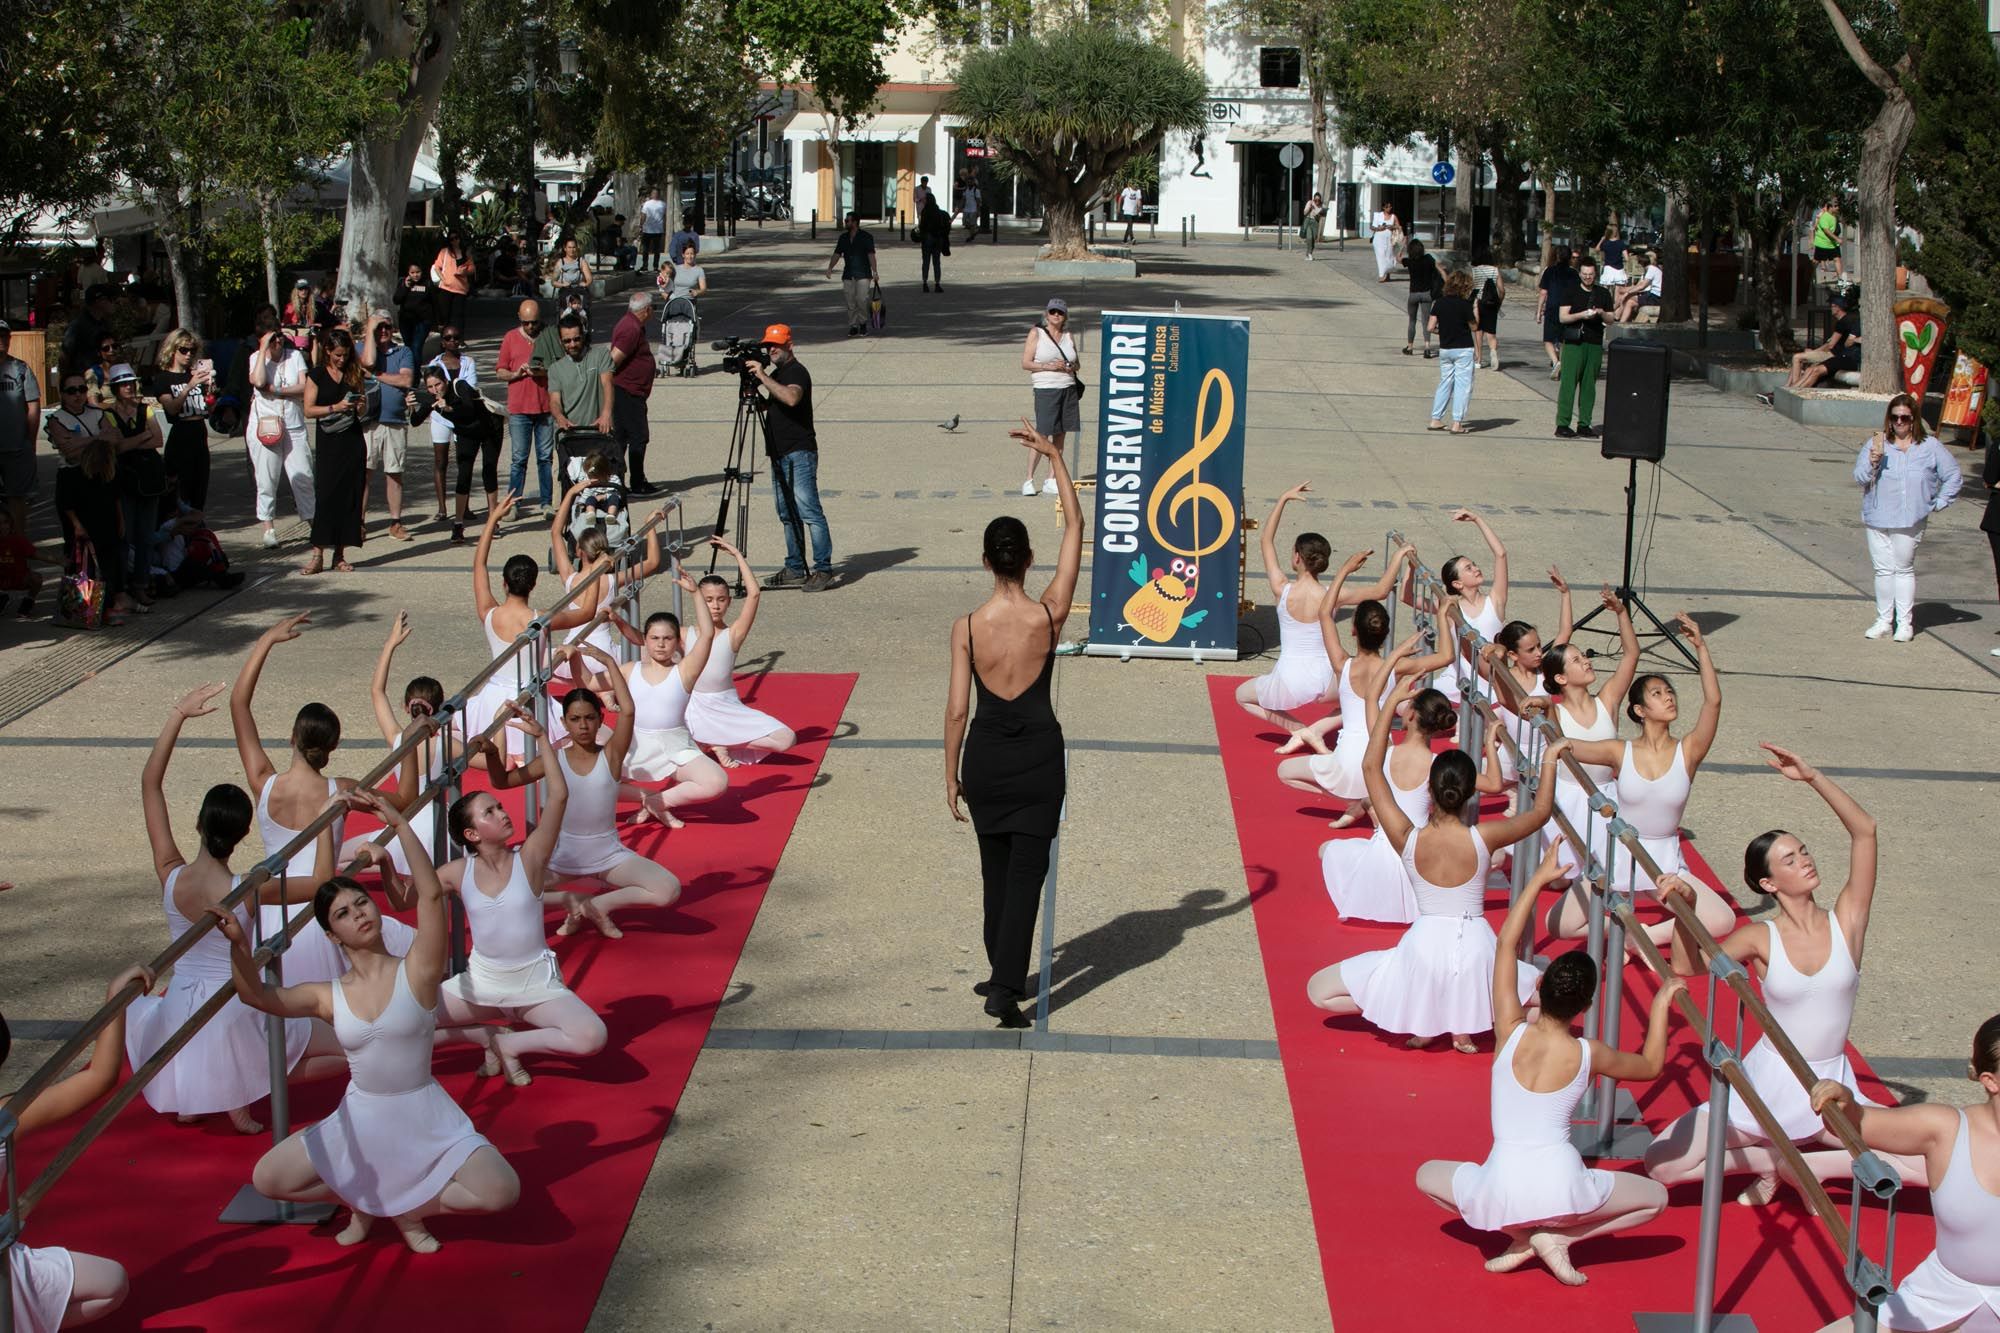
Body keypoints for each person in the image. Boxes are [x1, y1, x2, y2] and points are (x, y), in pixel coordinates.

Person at [216, 788, 520, 1251]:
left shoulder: (417, 969)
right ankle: (372, 1199)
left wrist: (398, 823)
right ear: (331, 934)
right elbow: (256, 995)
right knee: (268, 1177)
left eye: (361, 903)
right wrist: (239, 945)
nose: (358, 913)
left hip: (423, 1112)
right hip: (361, 1118)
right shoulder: (327, 995)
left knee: (502, 1191)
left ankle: (403, 1206)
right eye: (342, 913)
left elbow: (432, 895)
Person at [1644, 745, 1927, 1207]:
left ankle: (1805, 1165)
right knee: (1663, 1164)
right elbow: (1687, 966)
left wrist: (1812, 776)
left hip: (1832, 1086)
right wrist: (1685, 912)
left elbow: (1865, 831)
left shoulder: (1847, 922)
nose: (1805, 861)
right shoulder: (1759, 937)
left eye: (1804, 851)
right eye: (1790, 860)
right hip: (1769, 1080)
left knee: (1929, 1164)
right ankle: (1775, 1157)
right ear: (1769, 884)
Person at [1415, 835, 1683, 1285]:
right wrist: (1659, 1008)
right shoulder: (1588, 1053)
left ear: (1537, 988)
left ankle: (1523, 1233)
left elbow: (1505, 945)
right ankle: (1561, 1238)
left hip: (1502, 1183)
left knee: (1427, 1175)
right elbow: (1651, 1065)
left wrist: (1538, 879)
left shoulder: (1508, 1031)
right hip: (1567, 1188)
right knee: (1655, 1199)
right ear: (1588, 1005)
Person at [126, 683, 348, 1136]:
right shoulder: (245, 891)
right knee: (345, 1047)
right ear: (245, 834)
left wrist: (178, 714)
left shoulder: (170, 874)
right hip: (233, 1007)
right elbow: (323, 881)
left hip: (178, 1009)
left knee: (212, 1032)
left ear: (198, 825)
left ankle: (197, 1095)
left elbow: (151, 783)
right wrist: (327, 818)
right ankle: (243, 1090)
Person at [1305, 675, 1566, 1052]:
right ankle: (1467, 1017)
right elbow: (1541, 812)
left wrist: (1390, 703)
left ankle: (1428, 1016)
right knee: (1546, 998)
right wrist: (1550, 756)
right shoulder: (1485, 837)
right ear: (1467, 794)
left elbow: (1370, 769)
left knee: (1320, 991)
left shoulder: (1407, 837)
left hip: (1422, 952)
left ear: (1431, 789)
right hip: (1479, 953)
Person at [945, 426, 1081, 1029]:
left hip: (986, 761)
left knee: (993, 869)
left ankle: (1000, 966)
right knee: (1028, 874)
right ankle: (1004, 988)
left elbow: (956, 710)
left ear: (985, 561)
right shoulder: (1048, 616)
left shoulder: (968, 627)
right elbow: (1077, 530)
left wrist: (949, 774)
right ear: (1027, 560)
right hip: (1039, 762)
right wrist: (1054, 458)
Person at [230, 614, 419, 983]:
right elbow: (405, 798)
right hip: (324, 908)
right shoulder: (341, 790)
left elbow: (239, 704)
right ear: (331, 749)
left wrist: (265, 641)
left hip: (273, 907)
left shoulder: (263, 783)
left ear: (291, 738)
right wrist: (408, 740)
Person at [1544, 612, 1737, 945]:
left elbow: (1713, 702)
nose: (1668, 697)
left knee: (1723, 920)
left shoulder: (1689, 751)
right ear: (1639, 710)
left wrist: (1702, 649)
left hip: (1667, 863)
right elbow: (1567, 745)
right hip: (1620, 856)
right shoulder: (1620, 751)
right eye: (1657, 693)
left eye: (1669, 691)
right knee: (1557, 924)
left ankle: (1645, 936)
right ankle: (1627, 935)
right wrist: (1544, 710)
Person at [1806, 1015, 2000, 1333]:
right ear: (1991, 1081)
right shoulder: (1945, 1128)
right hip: (1938, 1298)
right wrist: (1845, 1102)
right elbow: (1860, 1123)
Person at [484, 649, 682, 939]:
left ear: (600, 720)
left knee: (669, 889)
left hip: (607, 854)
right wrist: (492, 750)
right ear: (564, 722)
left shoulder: (612, 755)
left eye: (589, 718)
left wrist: (610, 663)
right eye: (575, 719)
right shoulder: (554, 759)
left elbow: (628, 710)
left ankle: (596, 905)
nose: (583, 726)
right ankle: (570, 903)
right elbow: (502, 782)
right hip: (560, 856)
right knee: (501, 901)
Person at [4, 961, 155, 1329]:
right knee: (110, 1285)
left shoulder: (8, 1112)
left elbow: (99, 1080)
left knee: (109, 1283)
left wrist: (115, 1001)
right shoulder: (6, 1112)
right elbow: (99, 1080)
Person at [1274, 551, 1450, 826]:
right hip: (1382, 760)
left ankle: (1354, 803)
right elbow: (1445, 657)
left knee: (1285, 772)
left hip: (1345, 764)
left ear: (1353, 631)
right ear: (1387, 633)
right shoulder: (1395, 666)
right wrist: (1442, 613)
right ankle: (1367, 801)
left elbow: (1324, 614)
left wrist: (1345, 569)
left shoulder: (1342, 665)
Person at [1320, 679, 1495, 924]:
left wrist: (1392, 697)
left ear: (1410, 714)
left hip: (1383, 852)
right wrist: (1491, 745)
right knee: (1495, 858)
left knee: (1327, 850)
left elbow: (1371, 700)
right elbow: (1495, 785)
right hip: (1420, 854)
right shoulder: (1439, 765)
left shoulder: (1386, 752)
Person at [1237, 486, 1407, 732]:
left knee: (1242, 696)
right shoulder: (1333, 595)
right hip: (1327, 683)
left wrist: (1283, 498)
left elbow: (1266, 541)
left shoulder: (1281, 588)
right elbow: (1381, 590)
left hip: (1287, 682)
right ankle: (1318, 730)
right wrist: (1399, 556)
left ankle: (1300, 731)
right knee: (1369, 691)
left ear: (1296, 558)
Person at [466, 494, 602, 754]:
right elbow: (587, 612)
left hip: (492, 698)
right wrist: (595, 570)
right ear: (534, 585)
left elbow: (479, 566)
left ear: (504, 583)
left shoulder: (489, 614)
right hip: (529, 699)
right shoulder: (542, 620)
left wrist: (494, 518)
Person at [1538, 588, 1640, 881]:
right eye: (1576, 660)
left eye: (1583, 655)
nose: (1586, 661)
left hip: (1607, 793)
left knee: (1611, 876)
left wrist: (1621, 613)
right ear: (1561, 678)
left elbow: (1632, 654)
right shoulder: (1554, 712)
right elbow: (1544, 712)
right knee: (1560, 881)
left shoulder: (1607, 699)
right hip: (1568, 796)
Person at [1854, 393, 1961, 643]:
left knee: (1902, 569)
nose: (1899, 422)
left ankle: (1905, 623)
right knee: (1882, 570)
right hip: (1877, 515)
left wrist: (1940, 502)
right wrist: (1872, 463)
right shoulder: (1877, 445)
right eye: (1895, 418)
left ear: (1914, 419)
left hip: (1910, 518)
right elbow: (1858, 477)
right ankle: (1883, 621)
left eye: (1905, 417)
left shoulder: (1930, 447)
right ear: (1889, 420)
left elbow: (1953, 474)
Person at [684, 537, 796, 765]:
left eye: (720, 600)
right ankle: (711, 740)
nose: (715, 605)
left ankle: (721, 741)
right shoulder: (684, 634)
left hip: (726, 705)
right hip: (693, 707)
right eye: (708, 600)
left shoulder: (733, 634)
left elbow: (754, 594)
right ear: (698, 600)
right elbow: (646, 641)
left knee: (787, 739)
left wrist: (737, 556)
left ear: (728, 602)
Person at [747, 324, 833, 590]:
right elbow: (777, 405)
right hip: (779, 453)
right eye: (768, 346)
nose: (771, 350)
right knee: (787, 513)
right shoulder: (778, 373)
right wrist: (756, 395)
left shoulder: (796, 372)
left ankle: (823, 569)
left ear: (789, 346)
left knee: (809, 511)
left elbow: (792, 398)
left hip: (798, 452)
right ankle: (795, 566)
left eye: (776, 345)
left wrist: (762, 376)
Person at [300, 328, 369, 575]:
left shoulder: (353, 373)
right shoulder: (317, 375)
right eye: (338, 355)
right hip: (329, 443)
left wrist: (359, 406)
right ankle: (317, 553)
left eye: (346, 355)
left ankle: (339, 554)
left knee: (349, 497)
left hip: (352, 440)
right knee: (326, 496)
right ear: (328, 351)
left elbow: (363, 411)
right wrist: (335, 406)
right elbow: (308, 410)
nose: (342, 359)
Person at [408, 364, 501, 545]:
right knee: (463, 473)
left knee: (489, 470)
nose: (435, 390)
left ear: (445, 381)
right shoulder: (432, 399)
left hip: (489, 428)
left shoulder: (460, 386)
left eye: (438, 385)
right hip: (466, 432)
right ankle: (458, 524)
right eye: (430, 387)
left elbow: (469, 410)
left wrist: (448, 408)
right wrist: (411, 407)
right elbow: (416, 421)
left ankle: (493, 520)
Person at [247, 318, 312, 548]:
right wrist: (264, 349)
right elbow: (258, 381)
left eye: (280, 336)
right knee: (267, 478)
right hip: (267, 426)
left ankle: (313, 521)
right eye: (272, 338)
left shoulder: (295, 356)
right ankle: (268, 528)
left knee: (303, 475)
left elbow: (305, 387)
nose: (278, 341)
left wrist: (278, 391)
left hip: (293, 423)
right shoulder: (255, 358)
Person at [104, 364, 165, 602]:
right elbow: (116, 447)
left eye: (131, 382)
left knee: (146, 537)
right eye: (123, 383)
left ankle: (141, 582)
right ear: (116, 388)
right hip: (124, 482)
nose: (129, 387)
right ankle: (121, 585)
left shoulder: (145, 409)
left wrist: (129, 442)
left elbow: (158, 439)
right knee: (124, 536)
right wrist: (142, 437)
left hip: (149, 481)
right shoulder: (108, 414)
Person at [354, 314, 415, 541]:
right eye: (378, 327)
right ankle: (359, 522)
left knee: (394, 473)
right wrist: (369, 329)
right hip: (369, 421)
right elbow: (367, 362)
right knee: (365, 473)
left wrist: (376, 376)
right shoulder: (361, 347)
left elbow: (405, 380)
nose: (383, 331)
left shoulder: (403, 352)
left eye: (387, 327)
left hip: (395, 420)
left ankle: (396, 522)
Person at [497, 300, 555, 516]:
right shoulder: (510, 338)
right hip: (519, 409)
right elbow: (500, 371)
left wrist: (543, 372)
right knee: (518, 459)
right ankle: (513, 503)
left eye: (534, 322)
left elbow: (560, 365)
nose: (531, 327)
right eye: (527, 323)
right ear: (520, 319)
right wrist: (516, 374)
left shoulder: (549, 337)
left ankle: (546, 502)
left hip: (545, 408)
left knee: (545, 458)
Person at [1021, 298, 1080, 496]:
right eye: (1053, 312)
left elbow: (1077, 364)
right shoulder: (1036, 333)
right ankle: (1029, 479)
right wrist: (1048, 366)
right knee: (1042, 434)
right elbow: (1026, 363)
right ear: (1046, 314)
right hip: (1046, 389)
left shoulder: (1068, 335)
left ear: (1065, 316)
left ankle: (1051, 478)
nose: (1056, 315)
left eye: (1060, 312)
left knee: (1061, 434)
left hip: (1068, 387)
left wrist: (1069, 366)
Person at [151, 329, 214, 511]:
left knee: (199, 493)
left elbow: (208, 409)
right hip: (180, 437)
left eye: (192, 350)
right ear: (172, 350)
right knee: (180, 494)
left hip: (199, 436)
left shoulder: (194, 375)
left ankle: (197, 533)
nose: (188, 354)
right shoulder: (163, 379)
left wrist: (211, 391)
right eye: (183, 350)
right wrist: (189, 386)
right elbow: (171, 408)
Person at [1554, 258, 1614, 439]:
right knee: (1568, 383)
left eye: (1591, 274)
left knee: (1589, 385)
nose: (1587, 277)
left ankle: (1584, 423)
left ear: (1596, 274)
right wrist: (1582, 315)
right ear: (1579, 273)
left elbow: (1611, 319)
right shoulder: (1570, 291)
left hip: (1594, 343)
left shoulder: (1603, 293)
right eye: (1584, 274)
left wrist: (1602, 313)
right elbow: (1563, 317)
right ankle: (1563, 424)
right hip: (1574, 343)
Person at [608, 291, 658, 495]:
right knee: (637, 436)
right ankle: (636, 481)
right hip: (626, 392)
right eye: (653, 307)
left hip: (629, 391)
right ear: (646, 310)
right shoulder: (630, 329)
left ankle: (617, 480)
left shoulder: (632, 325)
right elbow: (612, 361)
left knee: (623, 437)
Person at [0, 320, 41, 543]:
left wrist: (30, 441)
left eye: (4, 336)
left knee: (17, 499)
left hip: (17, 447)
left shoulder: (21, 368)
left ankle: (18, 547)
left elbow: (33, 405)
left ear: (9, 339)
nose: (0, 341)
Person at [1428, 269, 1480, 432]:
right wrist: (1475, 308)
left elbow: (1430, 327)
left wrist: (1441, 331)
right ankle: (1457, 422)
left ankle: (1436, 418)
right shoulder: (1464, 305)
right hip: (1463, 348)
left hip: (1445, 349)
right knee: (1463, 386)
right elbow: (1474, 326)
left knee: (1445, 382)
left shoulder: (1439, 303)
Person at [548, 313, 614, 440]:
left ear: (583, 336)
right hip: (571, 435)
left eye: (576, 339)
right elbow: (554, 400)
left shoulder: (600, 355)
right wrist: (560, 417)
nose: (572, 344)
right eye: (567, 341)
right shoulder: (555, 369)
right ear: (560, 341)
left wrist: (606, 413)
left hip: (599, 430)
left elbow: (607, 384)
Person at [1780, 291, 1862, 392]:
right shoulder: (1849, 321)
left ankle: (1790, 389)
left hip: (1836, 355)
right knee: (1810, 368)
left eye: (1832, 306)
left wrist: (1815, 352)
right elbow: (1845, 342)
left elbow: (1831, 345)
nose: (1831, 309)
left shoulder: (1844, 322)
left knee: (1798, 358)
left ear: (1838, 307)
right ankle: (1788, 389)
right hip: (1840, 355)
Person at [828, 212, 879, 337]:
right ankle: (853, 325)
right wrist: (830, 268)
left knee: (862, 299)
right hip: (848, 274)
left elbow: (871, 255)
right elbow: (837, 254)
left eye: (848, 221)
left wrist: (875, 271)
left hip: (863, 274)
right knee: (850, 301)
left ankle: (862, 323)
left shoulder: (866, 237)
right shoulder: (843, 238)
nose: (846, 222)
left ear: (855, 222)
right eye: (846, 221)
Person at [0, 508, 54, 618]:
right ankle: (2, 597)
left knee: (36, 578)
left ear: (10, 524)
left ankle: (29, 601)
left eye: (5, 522)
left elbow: (37, 555)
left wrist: (60, 561)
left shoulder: (18, 541)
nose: (2, 527)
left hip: (19, 578)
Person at [1536, 245, 1576, 380]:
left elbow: (1543, 292)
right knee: (1564, 339)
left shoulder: (1549, 271)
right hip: (1568, 308)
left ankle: (1555, 361)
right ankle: (1562, 361)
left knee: (1548, 339)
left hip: (1552, 307)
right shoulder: (1574, 273)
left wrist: (1539, 311)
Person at [430, 233, 474, 334]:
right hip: (446, 287)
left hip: (461, 288)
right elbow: (437, 267)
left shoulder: (465, 253)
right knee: (445, 315)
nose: (454, 241)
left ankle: (459, 338)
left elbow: (472, 269)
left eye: (456, 238)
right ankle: (445, 338)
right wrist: (443, 279)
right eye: (451, 239)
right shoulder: (444, 252)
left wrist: (465, 272)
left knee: (458, 315)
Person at [1469, 247, 1506, 370]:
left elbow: (1472, 289)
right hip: (1491, 303)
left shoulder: (1474, 271)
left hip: (1478, 303)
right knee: (1491, 333)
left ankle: (1478, 359)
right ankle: (1493, 352)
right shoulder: (1495, 270)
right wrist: (1499, 301)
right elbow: (1501, 290)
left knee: (1478, 332)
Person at [1403, 239, 1439, 358]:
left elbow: (1398, 258)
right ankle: (1427, 347)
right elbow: (1438, 265)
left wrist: (1403, 246)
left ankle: (1410, 347)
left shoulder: (1409, 262)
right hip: (1426, 294)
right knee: (1426, 321)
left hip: (1413, 294)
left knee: (1412, 320)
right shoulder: (1428, 259)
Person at [1612, 249, 1664, 324]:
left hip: (1655, 297)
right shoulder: (1651, 270)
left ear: (1641, 263)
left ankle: (1615, 316)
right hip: (1653, 296)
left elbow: (1642, 286)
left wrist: (1627, 292)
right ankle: (1621, 323)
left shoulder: (1652, 269)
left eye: (1638, 263)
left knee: (1627, 297)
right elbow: (1640, 285)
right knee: (1630, 302)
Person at [394, 262, 433, 361]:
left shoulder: (427, 283)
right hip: (406, 321)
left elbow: (434, 302)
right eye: (412, 272)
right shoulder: (403, 282)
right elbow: (396, 300)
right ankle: (411, 371)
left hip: (422, 321)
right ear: (408, 273)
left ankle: (415, 374)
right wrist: (405, 287)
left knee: (416, 347)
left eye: (418, 272)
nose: (415, 275)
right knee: (409, 347)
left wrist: (438, 321)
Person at [549, 236, 592, 313]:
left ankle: (583, 319)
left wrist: (585, 284)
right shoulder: (560, 262)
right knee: (564, 303)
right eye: (569, 247)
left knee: (585, 302)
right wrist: (562, 284)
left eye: (574, 247)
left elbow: (589, 278)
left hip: (579, 288)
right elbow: (553, 282)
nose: (572, 250)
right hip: (566, 289)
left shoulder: (581, 261)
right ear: (565, 248)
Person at [918, 196, 951, 292]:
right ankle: (937, 284)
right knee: (936, 262)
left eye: (925, 199)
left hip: (927, 239)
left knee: (926, 261)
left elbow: (922, 227)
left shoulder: (925, 212)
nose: (923, 200)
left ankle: (925, 283)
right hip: (938, 239)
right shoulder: (940, 213)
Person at [1813, 198, 1845, 283]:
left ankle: (1840, 279)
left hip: (1832, 244)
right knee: (1816, 261)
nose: (1837, 208)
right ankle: (1810, 275)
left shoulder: (1834, 217)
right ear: (1830, 207)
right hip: (1823, 244)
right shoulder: (1824, 217)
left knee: (1837, 259)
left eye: (1837, 206)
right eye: (1835, 206)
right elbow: (1826, 230)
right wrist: (1837, 238)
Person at [639, 188, 667, 271]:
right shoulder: (663, 204)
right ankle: (655, 266)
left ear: (651, 195)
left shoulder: (647, 204)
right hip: (657, 230)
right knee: (656, 249)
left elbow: (643, 216)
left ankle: (645, 265)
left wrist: (641, 225)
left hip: (648, 229)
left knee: (646, 249)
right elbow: (665, 217)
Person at [1371, 204, 1400, 281]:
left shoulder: (1393, 216)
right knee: (1380, 256)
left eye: (1390, 206)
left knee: (1389, 256)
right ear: (1383, 208)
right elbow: (1372, 227)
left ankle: (1387, 275)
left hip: (1389, 239)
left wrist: (1392, 227)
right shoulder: (1378, 216)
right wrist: (1379, 228)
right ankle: (1381, 275)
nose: (1389, 208)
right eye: (1387, 207)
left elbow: (1399, 226)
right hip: (1378, 239)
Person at [1301, 191, 1326, 260]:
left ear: (1320, 200)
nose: (1317, 201)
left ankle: (1308, 254)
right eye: (1315, 200)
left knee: (1313, 239)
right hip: (1308, 221)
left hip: (1315, 223)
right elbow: (1304, 213)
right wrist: (1309, 208)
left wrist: (1316, 209)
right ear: (1313, 199)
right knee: (1309, 237)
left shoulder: (1321, 206)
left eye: (1318, 200)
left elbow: (1321, 214)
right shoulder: (1310, 202)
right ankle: (1309, 254)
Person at [1119, 180, 1143, 244]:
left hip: (1134, 211)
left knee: (1130, 226)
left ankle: (1124, 240)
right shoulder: (1126, 190)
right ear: (1131, 185)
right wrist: (1118, 207)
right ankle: (1132, 238)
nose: (1135, 186)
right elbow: (1120, 198)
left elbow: (1138, 201)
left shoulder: (1138, 191)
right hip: (1127, 210)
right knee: (1130, 224)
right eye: (1134, 185)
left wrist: (1140, 210)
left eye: (1136, 185)